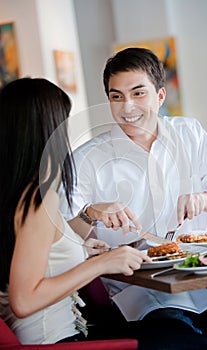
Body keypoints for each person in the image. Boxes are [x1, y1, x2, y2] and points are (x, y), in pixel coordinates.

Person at [59, 47, 207, 349]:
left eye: (138, 94)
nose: (127, 108)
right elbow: (62, 241)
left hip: (201, 279)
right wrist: (91, 213)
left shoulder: (189, 133)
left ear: (160, 96)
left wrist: (203, 200)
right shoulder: (86, 158)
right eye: (116, 96)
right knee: (188, 342)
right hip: (138, 292)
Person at [0, 76, 179, 349]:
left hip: (61, 335)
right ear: (45, 129)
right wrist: (101, 264)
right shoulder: (37, 198)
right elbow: (24, 301)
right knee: (182, 338)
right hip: (57, 341)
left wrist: (90, 216)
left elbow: (42, 248)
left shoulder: (16, 193)